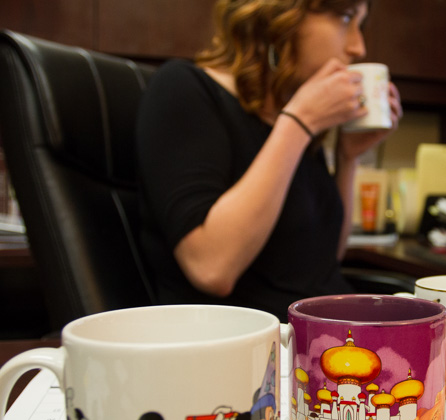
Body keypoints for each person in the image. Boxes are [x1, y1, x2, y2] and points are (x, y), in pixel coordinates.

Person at [136, 0, 402, 320]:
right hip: (257, 347)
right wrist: (299, 123)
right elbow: (211, 268)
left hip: (323, 336)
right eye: (346, 18)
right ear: (281, 17)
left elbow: (323, 260)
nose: (358, 47)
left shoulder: (294, 125)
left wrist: (349, 156)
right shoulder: (183, 88)